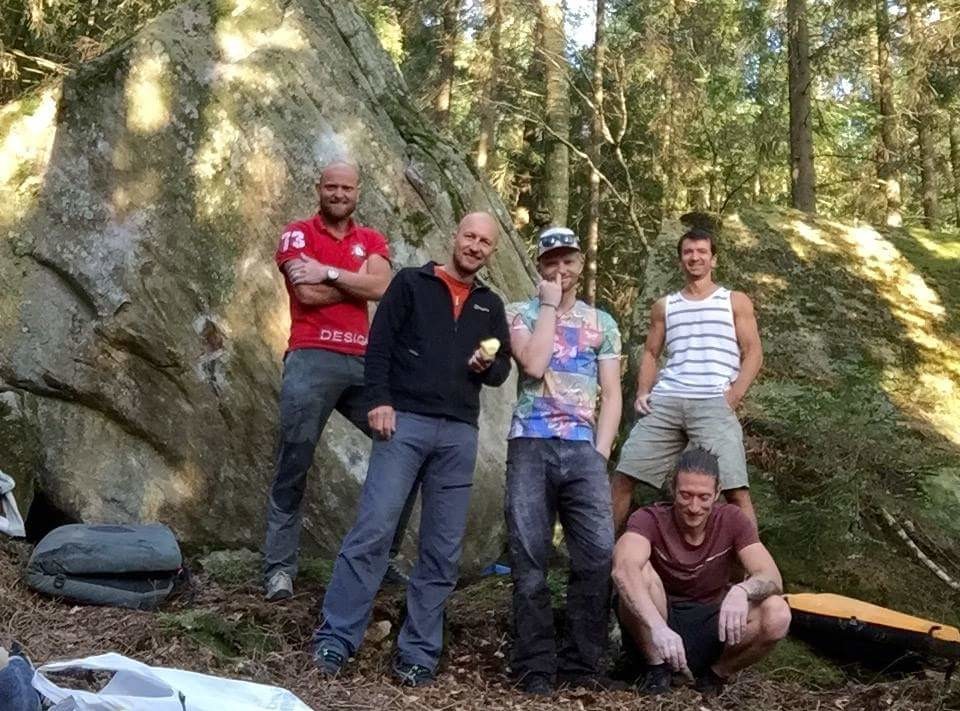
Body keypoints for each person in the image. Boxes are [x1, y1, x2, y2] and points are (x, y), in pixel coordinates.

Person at [312, 212, 513, 687]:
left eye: (485, 242)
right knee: (374, 529)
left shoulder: (490, 304)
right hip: (405, 423)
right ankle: (335, 639)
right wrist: (379, 401)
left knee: (442, 548)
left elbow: (502, 364)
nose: (475, 246)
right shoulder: (411, 283)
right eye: (470, 236)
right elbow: (378, 345)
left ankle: (419, 653)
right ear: (454, 236)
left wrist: (486, 363)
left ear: (491, 251)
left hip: (459, 433)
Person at [262, 160, 415, 601]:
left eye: (347, 188)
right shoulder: (297, 234)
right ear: (319, 189)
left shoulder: (371, 239)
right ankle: (279, 569)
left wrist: (328, 272)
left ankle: (380, 559)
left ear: (357, 192)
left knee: (405, 444)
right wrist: (357, 281)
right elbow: (305, 293)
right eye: (331, 186)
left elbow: (382, 288)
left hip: (365, 363)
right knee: (294, 460)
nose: (339, 194)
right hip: (311, 357)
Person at [503, 227, 623, 695]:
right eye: (551, 261)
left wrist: (601, 451)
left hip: (582, 448)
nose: (560, 269)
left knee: (596, 555)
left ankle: (580, 666)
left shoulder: (602, 323)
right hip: (529, 442)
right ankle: (534, 667)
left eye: (568, 260)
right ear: (539, 266)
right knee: (529, 557)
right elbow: (533, 366)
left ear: (580, 262)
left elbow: (612, 393)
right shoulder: (519, 312)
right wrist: (549, 306)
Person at [612, 226, 763, 534]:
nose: (695, 257)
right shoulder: (665, 306)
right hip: (667, 400)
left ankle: (753, 563)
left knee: (735, 488)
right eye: (688, 252)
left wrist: (733, 396)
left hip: (713, 401)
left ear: (713, 259)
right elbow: (651, 352)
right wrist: (643, 392)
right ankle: (597, 558)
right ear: (680, 259)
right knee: (624, 474)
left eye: (702, 252)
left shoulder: (734, 301)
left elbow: (754, 353)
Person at [612, 447, 791, 695]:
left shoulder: (732, 519)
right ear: (673, 489)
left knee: (778, 612)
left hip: (712, 623)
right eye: (686, 495)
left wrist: (742, 590)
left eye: (704, 497)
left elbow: (771, 577)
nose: (694, 507)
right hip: (657, 625)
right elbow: (623, 568)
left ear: (717, 493)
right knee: (639, 572)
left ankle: (714, 676)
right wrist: (658, 627)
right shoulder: (649, 518)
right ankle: (657, 672)